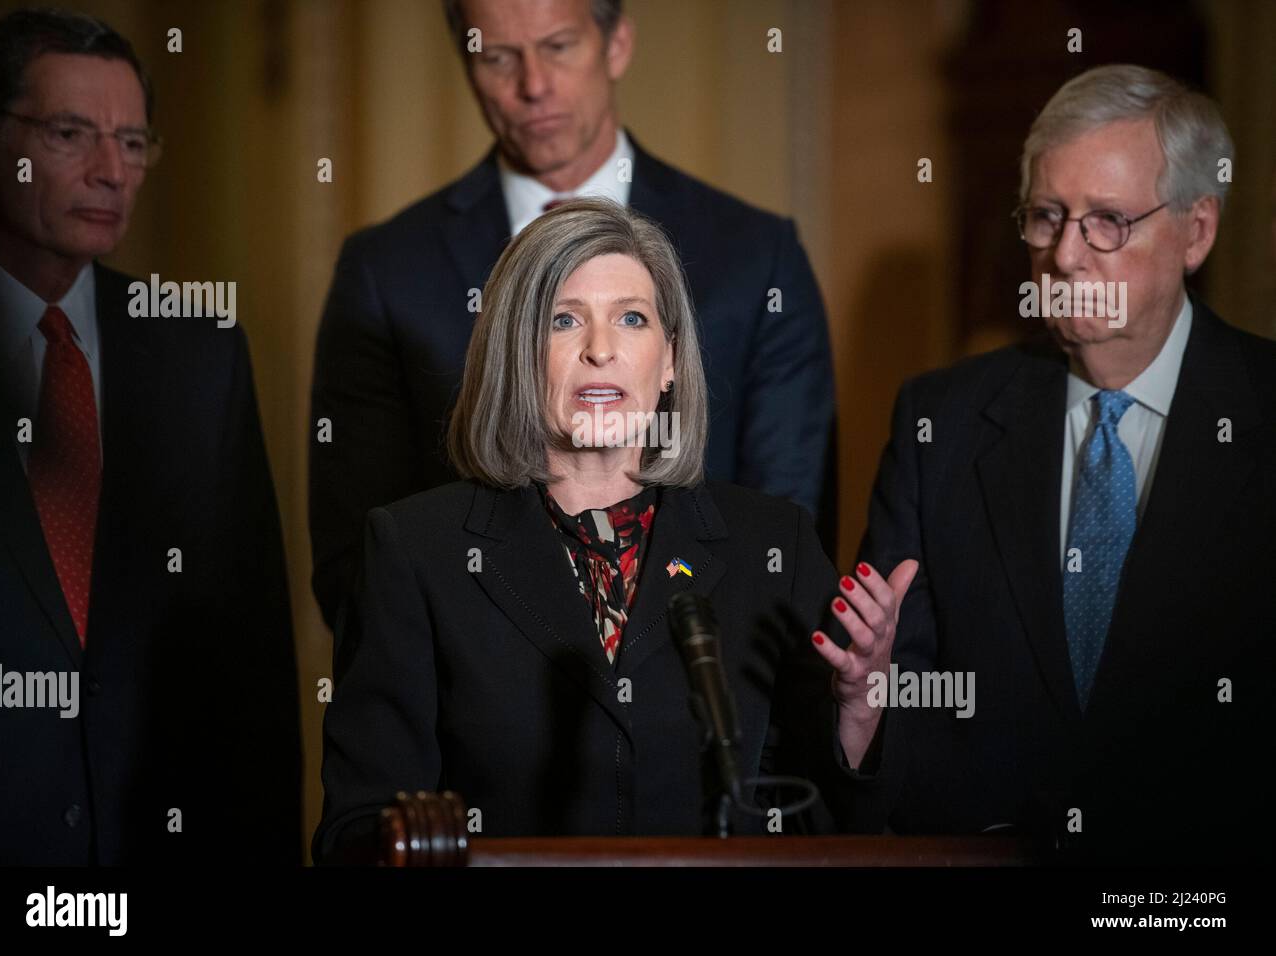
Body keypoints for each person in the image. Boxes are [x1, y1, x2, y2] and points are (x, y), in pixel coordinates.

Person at [313, 199, 915, 863]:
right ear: (516, 352)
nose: (601, 349)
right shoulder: (415, 550)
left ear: (669, 361)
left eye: (632, 318)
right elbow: (357, 832)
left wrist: (860, 706)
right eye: (564, 320)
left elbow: (835, 829)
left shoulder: (773, 543)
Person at [856, 64, 1276, 863]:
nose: (1067, 257)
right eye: (1048, 217)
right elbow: (890, 697)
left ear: (1197, 231)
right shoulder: (939, 420)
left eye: (1108, 222)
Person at [308, 0, 837, 631]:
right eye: (498, 57)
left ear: (616, 45)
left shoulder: (756, 255)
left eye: (558, 46)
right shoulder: (386, 268)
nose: (533, 85)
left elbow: (786, 533)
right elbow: (355, 556)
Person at [0, 8, 301, 864]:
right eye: (71, 133)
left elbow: (252, 660)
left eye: (132, 140)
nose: (110, 170)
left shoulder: (198, 348)